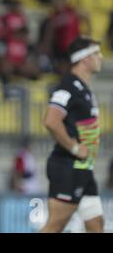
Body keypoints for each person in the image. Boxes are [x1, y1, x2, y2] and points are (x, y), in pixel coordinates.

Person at [40, 37, 104, 233]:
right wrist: (75, 147)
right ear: (84, 58)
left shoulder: (82, 88)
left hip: (83, 168)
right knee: (55, 226)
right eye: (95, 53)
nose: (101, 57)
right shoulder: (68, 86)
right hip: (69, 166)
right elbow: (51, 120)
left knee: (96, 226)